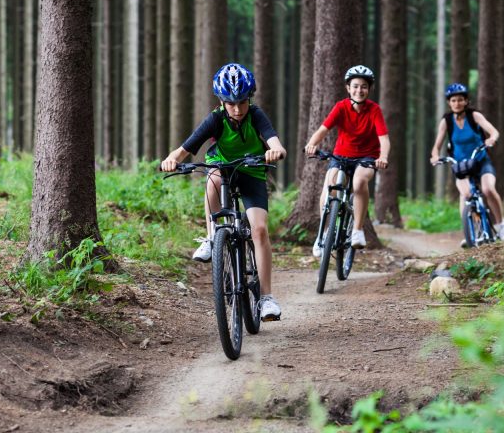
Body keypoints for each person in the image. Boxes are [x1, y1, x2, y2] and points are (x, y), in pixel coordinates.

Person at [160, 63, 287, 321]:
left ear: (249, 99)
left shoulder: (256, 116)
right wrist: (171, 159)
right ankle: (211, 237)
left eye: (241, 102)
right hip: (223, 169)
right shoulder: (215, 118)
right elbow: (186, 147)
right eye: (231, 104)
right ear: (221, 101)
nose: (237, 109)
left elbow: (274, 142)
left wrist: (276, 151)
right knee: (213, 177)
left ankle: (266, 298)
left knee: (259, 229)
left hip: (251, 171)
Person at [304, 65, 390, 257]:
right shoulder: (341, 107)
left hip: (367, 157)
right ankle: (324, 234)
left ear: (369, 89)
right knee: (328, 187)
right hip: (341, 156)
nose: (360, 90)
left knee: (359, 182)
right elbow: (323, 129)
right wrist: (311, 144)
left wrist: (383, 157)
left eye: (364, 86)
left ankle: (357, 230)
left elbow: (384, 138)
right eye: (356, 86)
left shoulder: (374, 110)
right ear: (348, 88)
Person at [430, 83, 504, 243]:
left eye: (460, 100)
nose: (457, 103)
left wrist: (491, 139)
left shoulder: (474, 116)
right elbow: (436, 146)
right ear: (449, 102)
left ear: (466, 101)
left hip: (480, 161)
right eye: (453, 100)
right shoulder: (447, 121)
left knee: (488, 189)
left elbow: (494, 131)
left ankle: (500, 225)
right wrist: (435, 156)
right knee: (466, 195)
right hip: (461, 165)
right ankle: (471, 231)